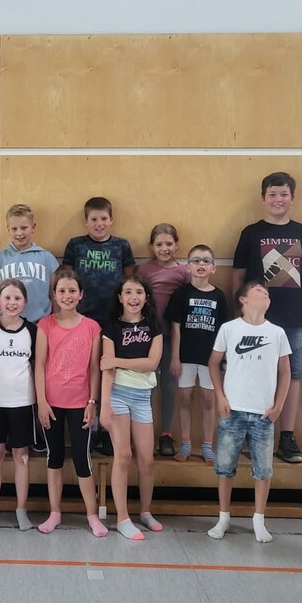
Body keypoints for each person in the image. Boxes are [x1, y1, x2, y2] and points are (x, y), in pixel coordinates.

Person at [232, 173, 302, 464]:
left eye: (284, 194)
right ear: (263, 198)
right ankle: (256, 432)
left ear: (292, 198)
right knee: (257, 373)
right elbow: (237, 276)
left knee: (292, 374)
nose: (278, 199)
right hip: (256, 319)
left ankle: (287, 435)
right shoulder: (250, 233)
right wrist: (238, 315)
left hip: (297, 318)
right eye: (272, 194)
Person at [207, 280, 291, 544]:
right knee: (224, 467)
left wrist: (278, 406)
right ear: (243, 299)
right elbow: (213, 363)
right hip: (232, 410)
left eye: (267, 293)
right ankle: (223, 518)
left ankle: (259, 519)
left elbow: (285, 372)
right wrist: (220, 396)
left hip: (263, 414)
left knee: (263, 470)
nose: (264, 294)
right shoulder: (229, 328)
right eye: (258, 291)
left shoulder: (277, 333)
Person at [35, 269, 106, 537]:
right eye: (62, 291)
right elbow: (39, 366)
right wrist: (41, 402)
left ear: (81, 295)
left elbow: (94, 369)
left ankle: (92, 515)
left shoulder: (92, 327)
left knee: (81, 458)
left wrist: (92, 401)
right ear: (54, 295)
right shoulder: (45, 325)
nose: (67, 295)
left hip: (80, 403)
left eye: (72, 291)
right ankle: (55, 512)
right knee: (54, 457)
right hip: (51, 403)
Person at [63, 196, 135, 456]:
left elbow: (130, 284)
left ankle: (107, 429)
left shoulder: (121, 246)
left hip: (113, 320)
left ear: (111, 219)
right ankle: (89, 428)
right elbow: (66, 280)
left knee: (109, 374)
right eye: (94, 219)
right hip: (82, 319)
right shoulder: (75, 245)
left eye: (104, 218)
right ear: (86, 221)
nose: (99, 223)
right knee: (85, 372)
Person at [100, 275, 164, 540]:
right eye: (128, 292)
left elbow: (152, 363)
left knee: (147, 459)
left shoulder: (154, 326)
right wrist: (104, 404)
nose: (133, 297)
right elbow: (106, 369)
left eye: (138, 292)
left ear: (146, 297)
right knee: (123, 456)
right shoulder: (111, 327)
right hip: (118, 395)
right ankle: (123, 518)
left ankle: (145, 511)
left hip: (142, 397)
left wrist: (117, 360)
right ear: (120, 297)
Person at [0, 279, 38, 532]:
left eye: (17, 298)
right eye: (7, 298)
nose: (12, 303)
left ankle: (21, 510)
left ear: (25, 302)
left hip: (22, 402)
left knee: (21, 455)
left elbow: (36, 367)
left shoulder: (32, 331)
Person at [164, 245, 229, 463]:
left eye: (206, 261)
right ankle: (185, 444)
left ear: (214, 268)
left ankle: (208, 446)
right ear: (188, 267)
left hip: (210, 359)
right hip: (185, 357)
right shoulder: (180, 294)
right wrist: (175, 357)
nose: (201, 264)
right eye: (196, 260)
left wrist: (221, 358)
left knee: (209, 399)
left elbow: (224, 331)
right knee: (184, 397)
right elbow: (175, 328)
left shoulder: (219, 296)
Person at [138, 223, 191, 456]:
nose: (164, 248)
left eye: (169, 244)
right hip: (146, 337)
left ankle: (166, 435)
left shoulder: (184, 273)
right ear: (151, 246)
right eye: (159, 244)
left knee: (169, 387)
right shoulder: (143, 270)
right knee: (146, 386)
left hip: (171, 338)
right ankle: (145, 434)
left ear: (177, 245)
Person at [0, 203, 60, 324]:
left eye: (24, 228)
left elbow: (55, 294)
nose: (19, 233)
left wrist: (56, 321)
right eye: (14, 229)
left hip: (40, 325)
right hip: (8, 325)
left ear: (33, 227)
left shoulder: (47, 258)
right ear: (8, 229)